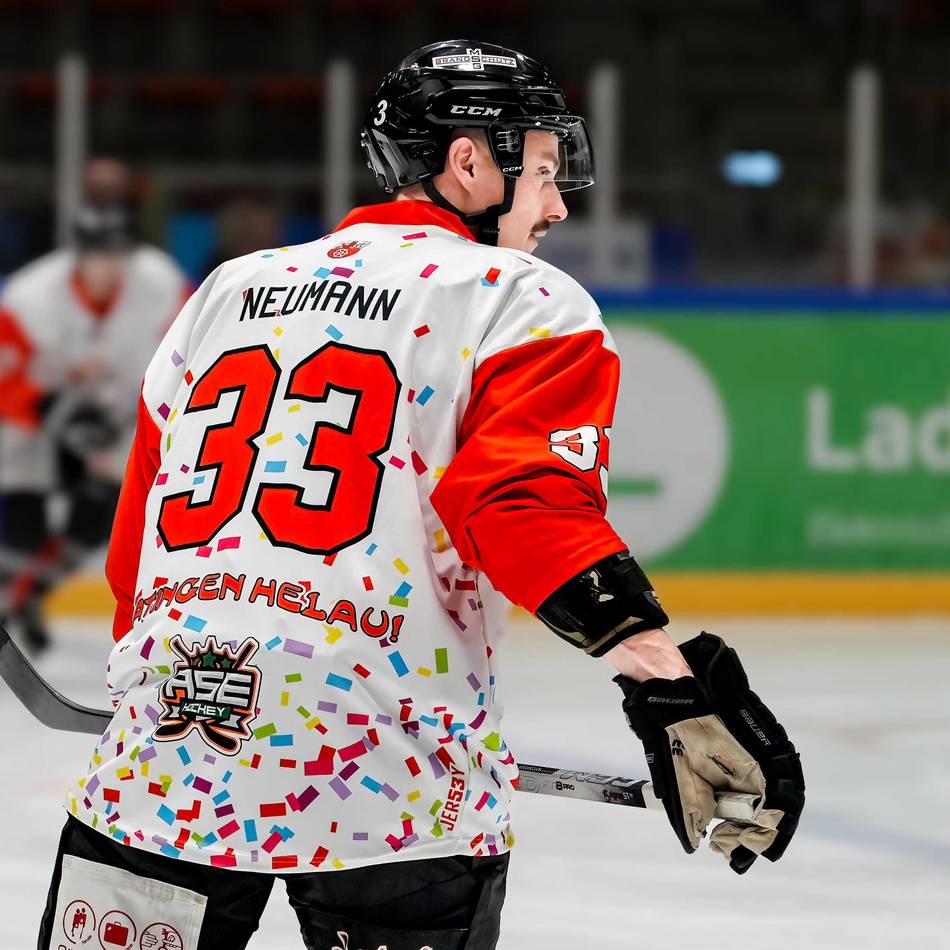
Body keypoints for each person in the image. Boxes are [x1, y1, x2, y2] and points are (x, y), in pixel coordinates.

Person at [38, 41, 804, 950]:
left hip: (170, 741)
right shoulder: (521, 297)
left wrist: (155, 681)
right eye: (547, 170)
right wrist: (668, 685)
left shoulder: (226, 289)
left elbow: (144, 531)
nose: (557, 206)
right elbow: (520, 506)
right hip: (392, 776)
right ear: (471, 159)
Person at [0, 205, 189, 652]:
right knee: (22, 518)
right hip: (34, 415)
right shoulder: (31, 297)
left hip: (119, 412)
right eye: (97, 255)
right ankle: (8, 596)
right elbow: (5, 380)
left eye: (118, 254)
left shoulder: (162, 285)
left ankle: (35, 592)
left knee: (98, 517)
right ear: (77, 256)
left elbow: (193, 348)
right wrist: (58, 416)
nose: (108, 266)